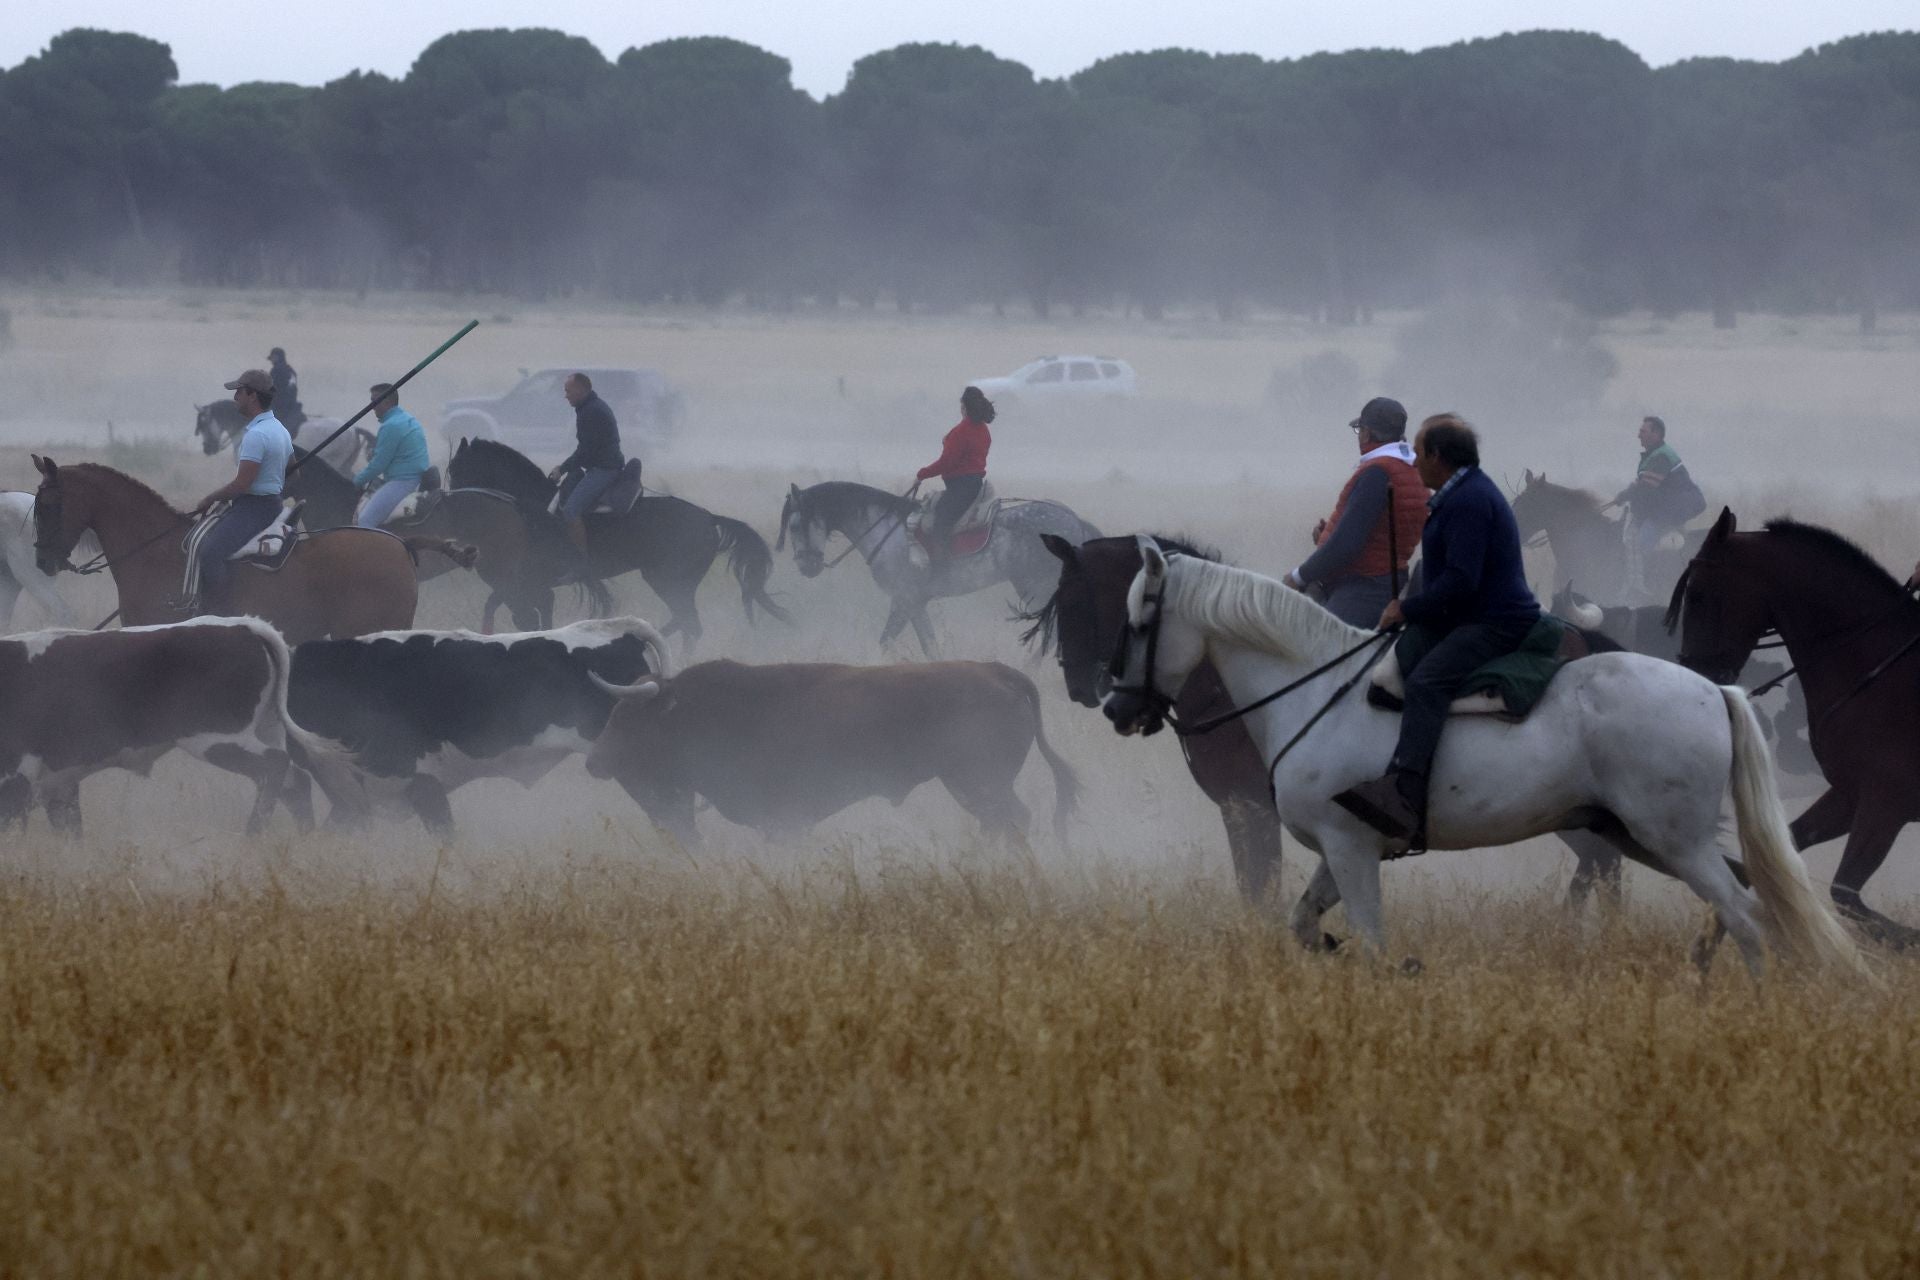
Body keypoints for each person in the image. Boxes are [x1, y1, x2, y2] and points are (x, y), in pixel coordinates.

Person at [1332, 415, 1541, 842]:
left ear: (1437, 456)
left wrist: (1407, 608)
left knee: (1426, 682)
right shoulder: (1461, 494)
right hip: (1469, 615)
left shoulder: (1468, 502)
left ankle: (1404, 791)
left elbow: (1462, 582)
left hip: (1495, 621)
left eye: (1419, 452)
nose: (1414, 461)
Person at [1283, 396, 1429, 627]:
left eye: (1360, 430)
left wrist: (1299, 576)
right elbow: (1378, 533)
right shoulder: (1412, 469)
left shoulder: (1377, 473)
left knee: (1321, 645)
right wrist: (1326, 538)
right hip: (1385, 578)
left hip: (1364, 586)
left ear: (1367, 433)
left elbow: (1347, 544)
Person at [186, 369, 294, 613]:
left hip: (254, 510)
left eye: (238, 392)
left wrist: (209, 498)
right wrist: (272, 484)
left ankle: (219, 613)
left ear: (252, 396)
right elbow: (294, 472)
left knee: (209, 551)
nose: (234, 397)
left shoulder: (255, 435)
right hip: (271, 504)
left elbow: (241, 485)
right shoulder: (280, 429)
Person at [1607, 416, 1701, 599]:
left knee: (1638, 539)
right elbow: (1641, 484)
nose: (1638, 435)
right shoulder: (1654, 455)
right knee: (1633, 532)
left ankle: (1639, 585)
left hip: (1671, 509)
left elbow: (1645, 487)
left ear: (1656, 434)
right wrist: (1625, 496)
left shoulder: (1661, 457)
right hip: (1666, 507)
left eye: (1643, 431)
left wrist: (1624, 497)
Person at [912, 386, 994, 566]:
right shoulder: (984, 430)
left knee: (940, 521)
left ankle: (941, 568)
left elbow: (946, 463)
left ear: (964, 407)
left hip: (961, 488)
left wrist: (922, 474)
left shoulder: (961, 432)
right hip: (975, 485)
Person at [547, 372, 624, 556]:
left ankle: (582, 562)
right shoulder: (589, 407)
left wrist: (561, 469)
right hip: (601, 467)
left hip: (604, 470)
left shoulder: (591, 411)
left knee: (571, 510)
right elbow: (585, 450)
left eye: (568, 391)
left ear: (581, 390)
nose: (565, 396)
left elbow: (585, 452)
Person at [352, 382, 432, 528]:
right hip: (414, 477)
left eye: (374, 402)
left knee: (365, 521)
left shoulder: (391, 426)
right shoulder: (406, 418)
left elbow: (378, 465)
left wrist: (355, 482)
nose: (372, 407)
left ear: (387, 402)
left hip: (403, 482)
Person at [266, 347, 306, 432]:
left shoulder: (276, 370)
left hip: (279, 407)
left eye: (272, 358)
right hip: (292, 406)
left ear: (277, 357)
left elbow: (271, 389)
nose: (271, 361)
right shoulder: (291, 370)